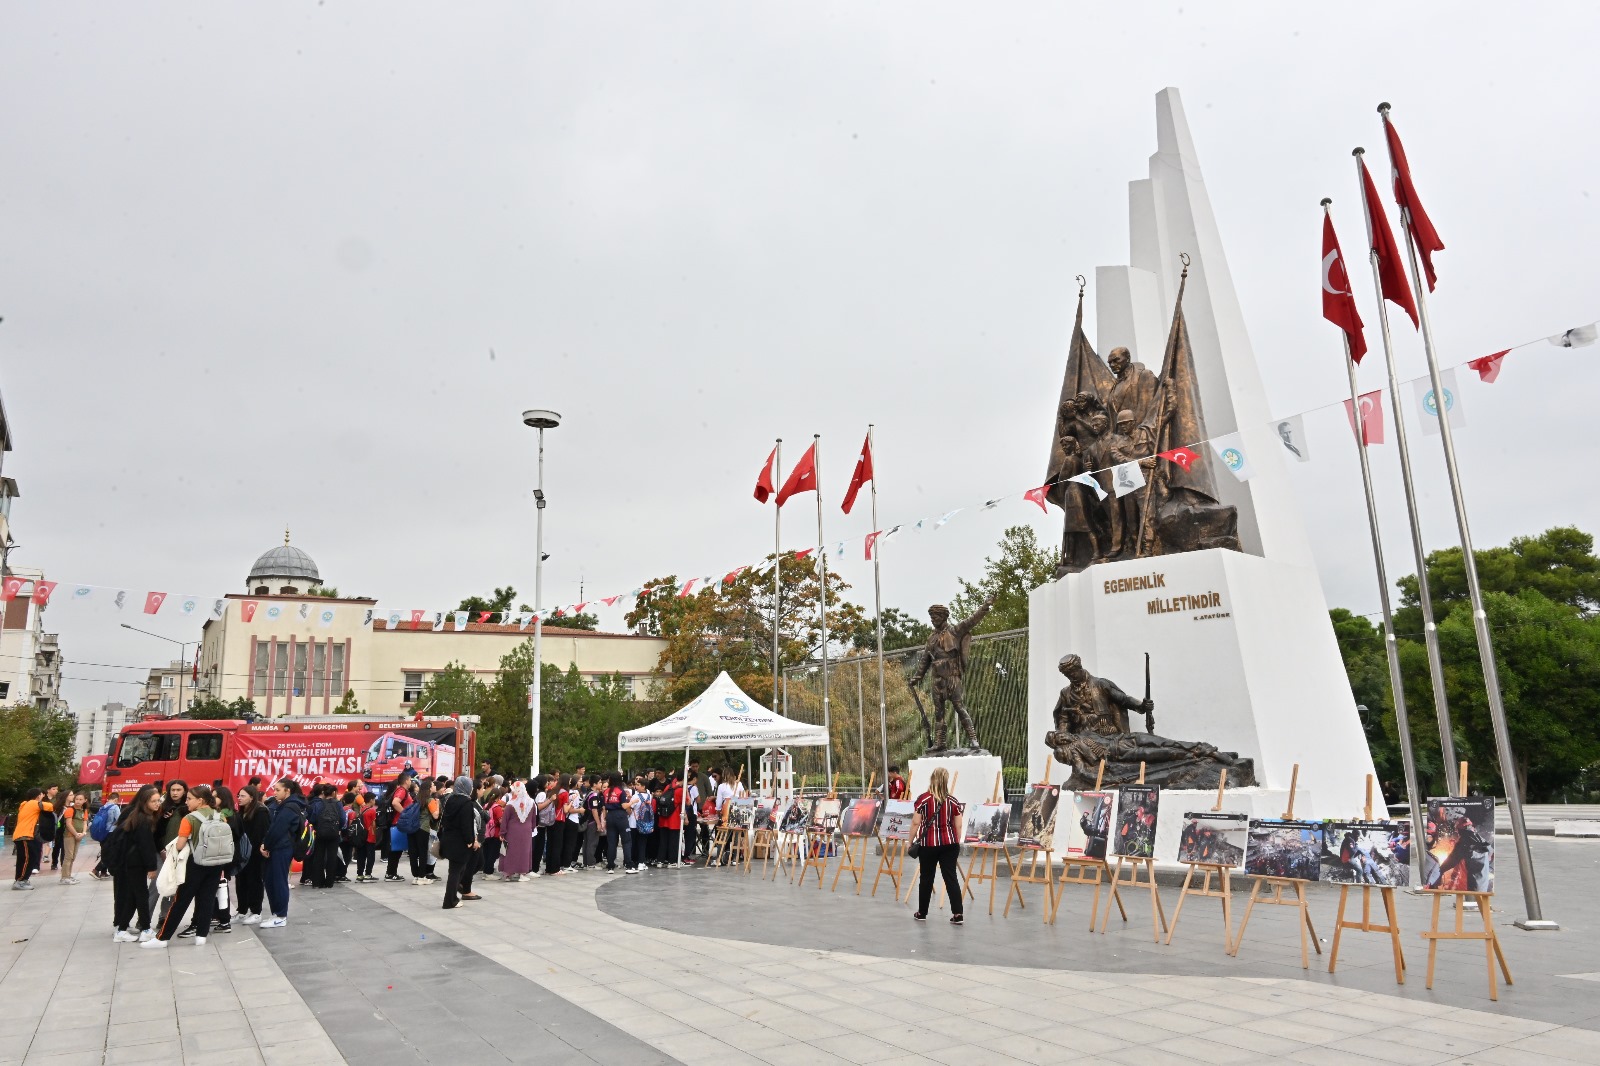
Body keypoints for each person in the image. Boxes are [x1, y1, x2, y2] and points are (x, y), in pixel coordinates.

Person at [146, 784, 228, 948]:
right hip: (216, 862)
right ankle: (201, 936)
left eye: (190, 799)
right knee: (207, 899)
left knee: (181, 900)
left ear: (200, 800)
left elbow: (179, 845)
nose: (187, 802)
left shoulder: (189, 818)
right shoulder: (220, 816)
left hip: (195, 864)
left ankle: (163, 938)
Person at [910, 767, 965, 925]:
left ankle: (922, 912)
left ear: (932, 779)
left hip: (929, 844)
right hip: (950, 844)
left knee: (926, 877)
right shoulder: (953, 801)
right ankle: (958, 913)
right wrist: (955, 840)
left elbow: (915, 822)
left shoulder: (924, 799)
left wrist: (910, 841)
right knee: (951, 877)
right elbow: (958, 825)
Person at [111, 786, 162, 942]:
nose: (157, 804)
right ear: (144, 802)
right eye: (153, 801)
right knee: (141, 895)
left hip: (131, 862)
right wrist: (152, 867)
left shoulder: (137, 815)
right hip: (135, 863)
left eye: (158, 800)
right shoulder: (143, 819)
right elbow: (146, 845)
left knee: (135, 896)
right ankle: (145, 929)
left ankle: (122, 929)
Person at [258, 779, 306, 929]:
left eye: (278, 790)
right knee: (272, 880)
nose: (274, 793)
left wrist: (266, 846)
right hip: (278, 847)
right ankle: (277, 913)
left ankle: (280, 915)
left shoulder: (290, 807)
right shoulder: (285, 805)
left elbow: (277, 829)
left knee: (278, 881)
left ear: (288, 791)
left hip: (282, 848)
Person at [439, 776, 482, 909]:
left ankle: (453, 897)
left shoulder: (450, 799)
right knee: (455, 871)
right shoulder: (467, 803)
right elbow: (466, 825)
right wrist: (470, 840)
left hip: (449, 839)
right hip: (460, 841)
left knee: (455, 870)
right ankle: (450, 900)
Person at [234, 785, 271, 924]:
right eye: (238, 796)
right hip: (242, 854)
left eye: (243, 796)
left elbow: (260, 834)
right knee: (241, 882)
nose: (239, 798)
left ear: (251, 797)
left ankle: (256, 912)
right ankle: (242, 910)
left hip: (254, 854)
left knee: (254, 881)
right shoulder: (241, 811)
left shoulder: (261, 811)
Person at [10, 788, 53, 889]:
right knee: (28, 858)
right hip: (25, 835)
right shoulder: (34, 803)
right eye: (42, 795)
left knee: (24, 858)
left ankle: (21, 879)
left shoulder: (24, 804)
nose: (43, 796)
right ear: (38, 796)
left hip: (21, 835)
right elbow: (50, 807)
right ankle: (21, 881)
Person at [499, 780, 536, 881]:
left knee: (510, 851)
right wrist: (532, 828)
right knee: (524, 851)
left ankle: (508, 874)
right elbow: (533, 818)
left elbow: (505, 820)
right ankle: (522, 874)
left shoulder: (510, 804)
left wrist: (502, 832)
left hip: (512, 831)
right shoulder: (531, 802)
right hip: (526, 830)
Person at [384, 774, 415, 881]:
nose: (411, 781)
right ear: (406, 781)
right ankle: (390, 874)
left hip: (399, 823)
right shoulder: (402, 791)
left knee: (397, 849)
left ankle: (391, 873)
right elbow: (395, 803)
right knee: (396, 850)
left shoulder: (402, 791)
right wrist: (404, 814)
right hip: (399, 823)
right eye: (410, 779)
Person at [601, 772, 631, 873]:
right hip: (620, 816)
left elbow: (604, 807)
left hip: (610, 816)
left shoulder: (606, 791)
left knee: (611, 842)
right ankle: (628, 864)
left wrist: (604, 819)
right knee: (626, 841)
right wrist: (632, 802)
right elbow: (624, 806)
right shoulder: (621, 791)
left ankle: (610, 865)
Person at [57, 793, 88, 884]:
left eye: (80, 799)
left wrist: (83, 833)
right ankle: (64, 877)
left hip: (79, 835)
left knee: (73, 856)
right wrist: (75, 834)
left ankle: (69, 875)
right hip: (70, 835)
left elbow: (85, 822)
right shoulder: (70, 809)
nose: (78, 801)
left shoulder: (84, 810)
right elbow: (68, 824)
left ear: (85, 800)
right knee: (68, 856)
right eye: (76, 799)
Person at [655, 770, 682, 869]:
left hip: (663, 817)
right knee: (673, 841)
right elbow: (687, 803)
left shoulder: (668, 787)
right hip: (674, 819)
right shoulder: (680, 790)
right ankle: (672, 861)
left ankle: (660, 861)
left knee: (663, 841)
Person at [480, 784, 503, 876]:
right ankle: (489, 872)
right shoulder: (497, 808)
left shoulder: (485, 806)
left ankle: (486, 870)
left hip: (486, 833)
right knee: (492, 854)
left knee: (486, 852)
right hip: (495, 833)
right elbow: (501, 821)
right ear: (499, 797)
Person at [355, 792, 379, 882]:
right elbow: (373, 824)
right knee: (370, 856)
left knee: (361, 856)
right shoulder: (372, 810)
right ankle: (368, 874)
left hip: (361, 836)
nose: (375, 801)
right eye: (374, 799)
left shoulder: (362, 809)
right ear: (371, 800)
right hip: (369, 836)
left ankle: (360, 875)